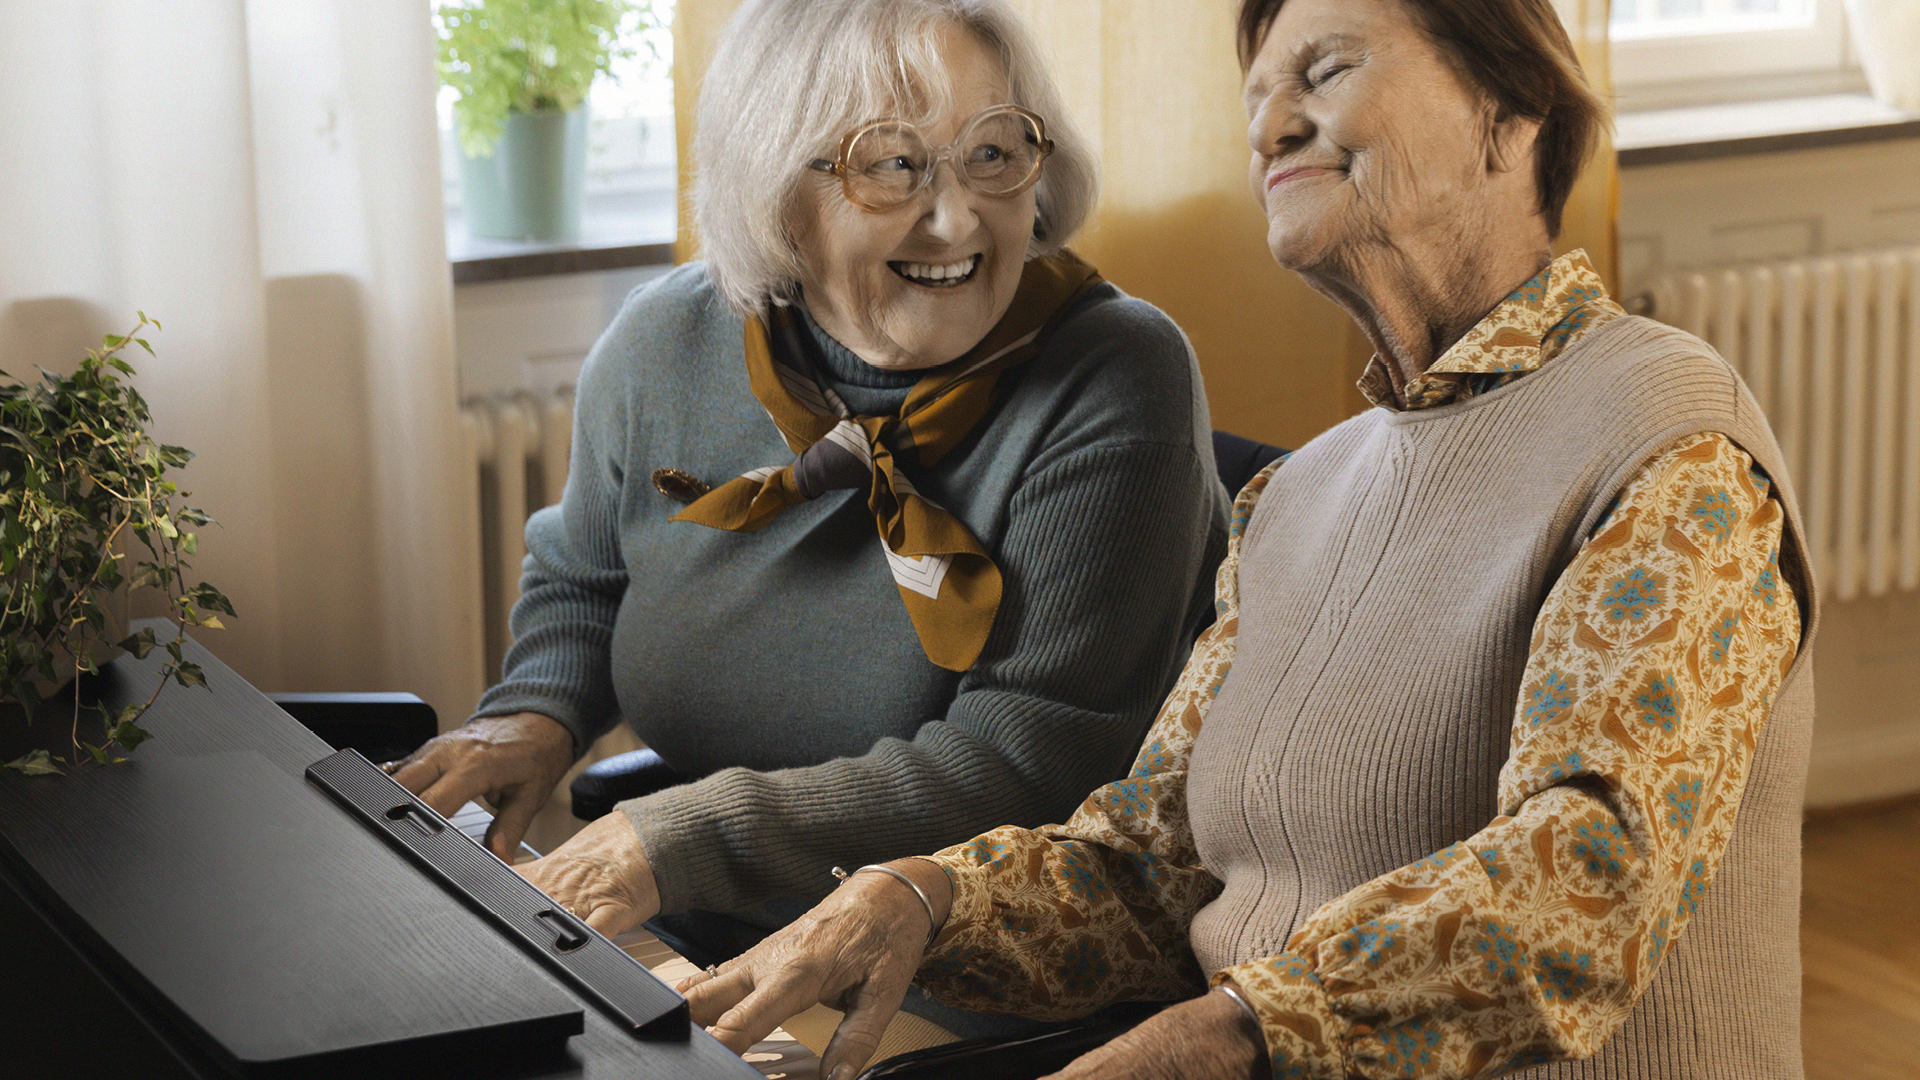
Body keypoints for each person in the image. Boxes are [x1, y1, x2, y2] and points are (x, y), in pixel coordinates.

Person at [678, 0, 1817, 1077]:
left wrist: (1222, 1039)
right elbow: (1155, 869)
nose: (1271, 123)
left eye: (1325, 71)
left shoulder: (1668, 443)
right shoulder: (1294, 498)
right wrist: (917, 898)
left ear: (1510, 111)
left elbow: (1583, 889)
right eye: (1256, 96)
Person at [387, 0, 1228, 989]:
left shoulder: (1118, 375)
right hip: (696, 924)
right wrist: (535, 714)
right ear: (779, 185)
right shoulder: (668, 339)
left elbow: (1029, 763)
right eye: (892, 163)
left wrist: (681, 839)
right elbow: (586, 577)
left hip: (952, 968)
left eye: (994, 153)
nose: (957, 219)